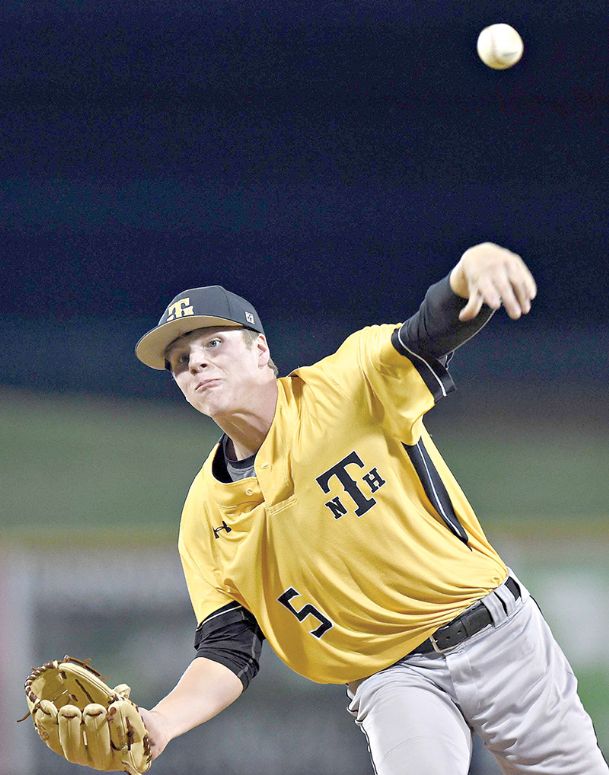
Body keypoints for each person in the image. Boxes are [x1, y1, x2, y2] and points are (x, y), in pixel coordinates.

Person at [133, 242, 608, 775]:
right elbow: (228, 649)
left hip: (496, 636)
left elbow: (426, 333)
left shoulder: (345, 384)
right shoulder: (204, 516)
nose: (195, 363)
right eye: (179, 362)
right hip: (394, 676)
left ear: (261, 351)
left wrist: (465, 275)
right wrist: (160, 723)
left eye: (213, 343)